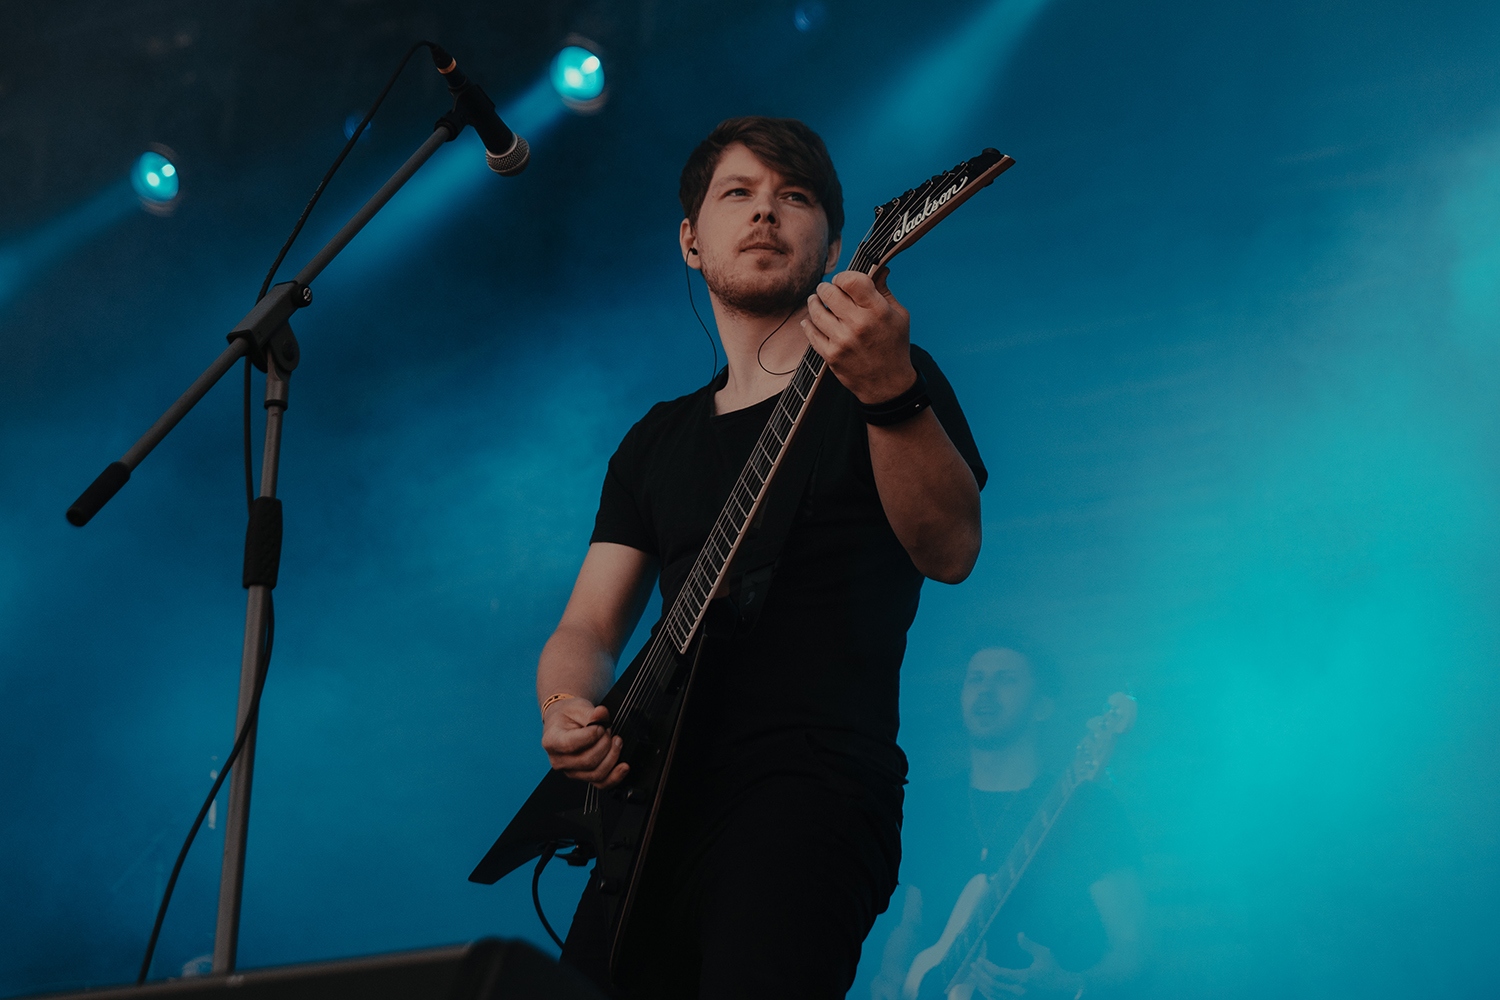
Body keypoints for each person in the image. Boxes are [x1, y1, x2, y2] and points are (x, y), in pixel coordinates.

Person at [531, 116, 989, 998]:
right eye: (737, 193)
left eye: (796, 196)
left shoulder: (890, 372)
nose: (766, 212)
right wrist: (564, 707)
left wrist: (888, 390)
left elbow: (952, 550)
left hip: (810, 789)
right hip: (650, 809)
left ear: (834, 246)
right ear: (690, 241)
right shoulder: (654, 441)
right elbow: (586, 627)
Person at [871, 648, 1147, 1000]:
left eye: (1006, 679)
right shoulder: (933, 807)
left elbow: (1135, 948)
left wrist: (1070, 985)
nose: (985, 691)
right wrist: (889, 977)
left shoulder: (1087, 808)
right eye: (976, 679)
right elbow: (911, 922)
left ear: (1042, 707)